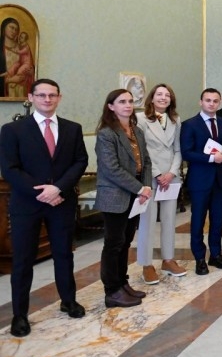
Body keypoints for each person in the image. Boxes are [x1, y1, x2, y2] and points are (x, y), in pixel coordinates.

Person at [0, 79, 89, 337]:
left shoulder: (73, 129)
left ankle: (68, 301)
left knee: (64, 255)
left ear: (59, 97)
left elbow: (80, 161)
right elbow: (10, 168)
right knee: (23, 261)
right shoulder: (13, 130)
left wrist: (58, 188)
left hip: (61, 202)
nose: (47, 99)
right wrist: (43, 192)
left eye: (52, 95)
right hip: (27, 204)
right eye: (42, 95)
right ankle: (20, 315)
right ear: (32, 97)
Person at [95, 89, 153, 307]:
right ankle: (112, 291)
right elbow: (111, 169)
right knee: (113, 243)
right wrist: (140, 188)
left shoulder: (137, 131)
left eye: (130, 101)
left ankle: (122, 282)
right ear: (111, 106)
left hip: (136, 194)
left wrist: (146, 185)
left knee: (126, 241)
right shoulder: (106, 133)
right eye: (122, 102)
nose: (127, 105)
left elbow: (146, 161)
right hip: (115, 195)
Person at [136, 84, 186, 285]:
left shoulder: (176, 120)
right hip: (151, 176)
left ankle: (168, 259)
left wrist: (172, 172)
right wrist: (158, 174)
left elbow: (177, 149)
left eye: (167, 95)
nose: (163, 98)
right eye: (159, 94)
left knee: (169, 220)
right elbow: (142, 150)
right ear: (152, 98)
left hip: (170, 178)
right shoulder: (140, 119)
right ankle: (146, 264)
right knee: (147, 222)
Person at [180, 88, 222, 274]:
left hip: (219, 180)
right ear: (200, 102)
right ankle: (199, 258)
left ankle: (216, 254)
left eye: (215, 101)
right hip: (200, 181)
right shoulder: (190, 124)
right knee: (198, 221)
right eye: (208, 100)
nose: (211, 103)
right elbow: (187, 152)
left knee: (218, 220)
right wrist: (212, 158)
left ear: (219, 103)